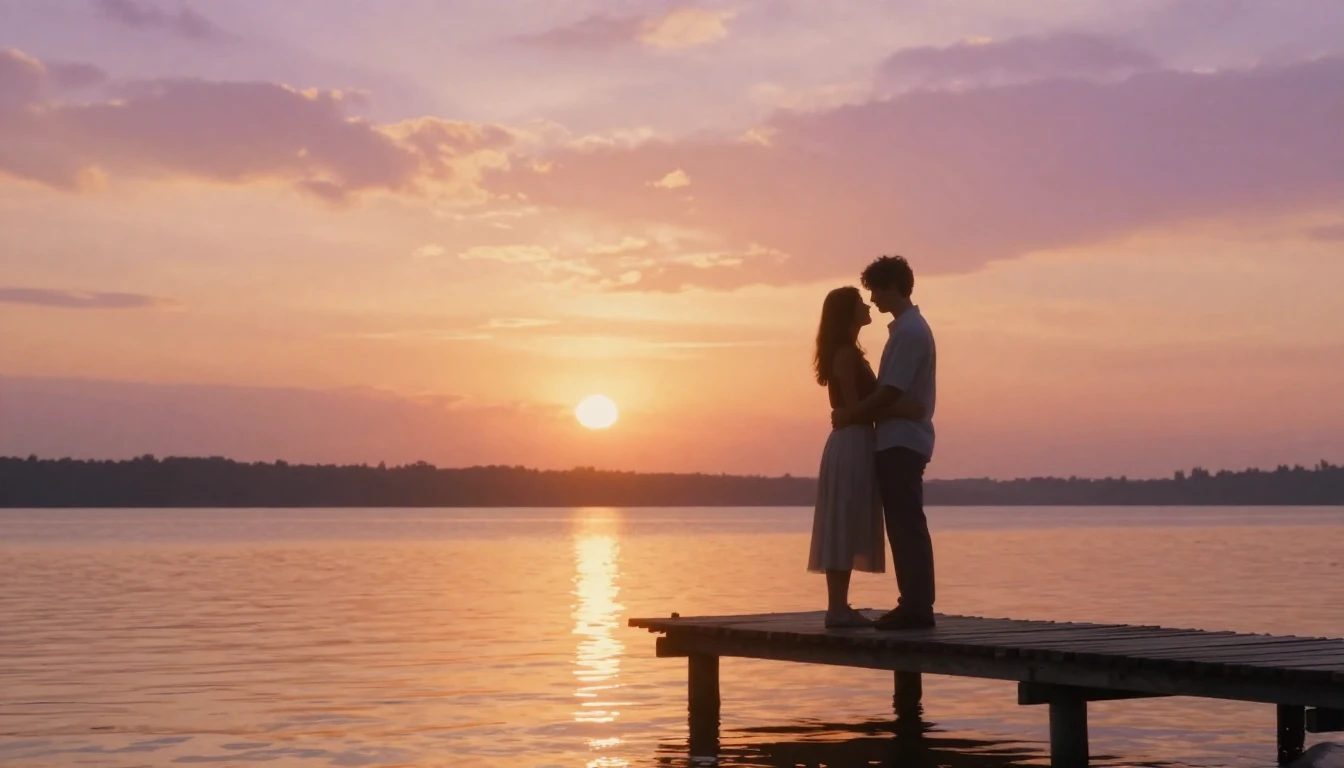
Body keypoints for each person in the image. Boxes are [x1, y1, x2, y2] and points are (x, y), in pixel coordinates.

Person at [809, 286, 926, 628]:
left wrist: (890, 409)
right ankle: (837, 608)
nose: (868, 304)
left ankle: (839, 606)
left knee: (849, 516)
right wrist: (905, 409)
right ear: (848, 313)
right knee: (843, 517)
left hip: (859, 441)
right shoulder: (845, 355)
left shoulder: (851, 353)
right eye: (861, 302)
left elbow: (860, 407)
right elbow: (854, 410)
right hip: (851, 442)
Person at [831, 255, 938, 630]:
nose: (873, 298)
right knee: (903, 523)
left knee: (906, 523)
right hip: (898, 438)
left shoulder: (909, 333)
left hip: (902, 443)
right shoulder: (905, 331)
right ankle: (914, 603)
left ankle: (916, 606)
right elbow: (892, 396)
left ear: (892, 286)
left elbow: (889, 392)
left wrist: (853, 413)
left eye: (875, 290)